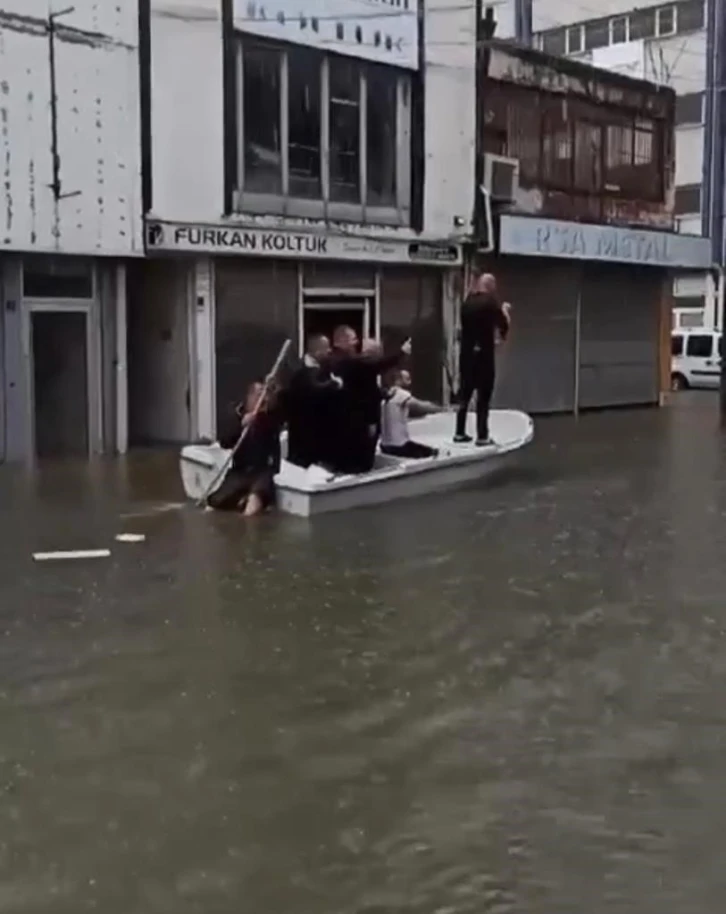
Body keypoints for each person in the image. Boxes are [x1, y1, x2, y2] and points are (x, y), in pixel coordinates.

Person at [328, 327, 411, 473]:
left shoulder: (338, 363)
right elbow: (377, 367)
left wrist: (382, 393)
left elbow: (361, 385)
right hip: (362, 419)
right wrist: (401, 353)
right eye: (353, 339)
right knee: (363, 456)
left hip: (347, 419)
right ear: (341, 342)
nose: (356, 342)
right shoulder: (351, 363)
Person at [208, 381, 282, 516]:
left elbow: (276, 449)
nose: (263, 398)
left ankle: (248, 504)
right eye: (259, 394)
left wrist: (275, 471)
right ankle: (240, 500)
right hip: (239, 471)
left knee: (252, 509)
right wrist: (241, 424)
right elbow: (225, 442)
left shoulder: (269, 418)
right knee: (213, 505)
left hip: (261, 472)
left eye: (265, 394)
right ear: (250, 396)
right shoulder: (235, 415)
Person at [454, 272, 510, 446]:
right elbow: (504, 326)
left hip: (466, 355)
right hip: (483, 357)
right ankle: (482, 436)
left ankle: (459, 432)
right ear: (491, 285)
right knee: (483, 397)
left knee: (465, 395)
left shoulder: (467, 303)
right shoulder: (491, 303)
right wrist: (505, 310)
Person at [282, 333, 343, 469]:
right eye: (326, 348)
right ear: (317, 351)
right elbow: (315, 391)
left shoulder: (308, 370)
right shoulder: (306, 373)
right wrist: (334, 384)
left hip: (305, 437)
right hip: (308, 438)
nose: (329, 351)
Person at [380, 368, 444, 459]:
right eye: (407, 379)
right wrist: (441, 409)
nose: (410, 382)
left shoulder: (385, 396)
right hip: (399, 446)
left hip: (384, 446)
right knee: (433, 453)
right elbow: (419, 406)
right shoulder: (401, 394)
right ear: (398, 380)